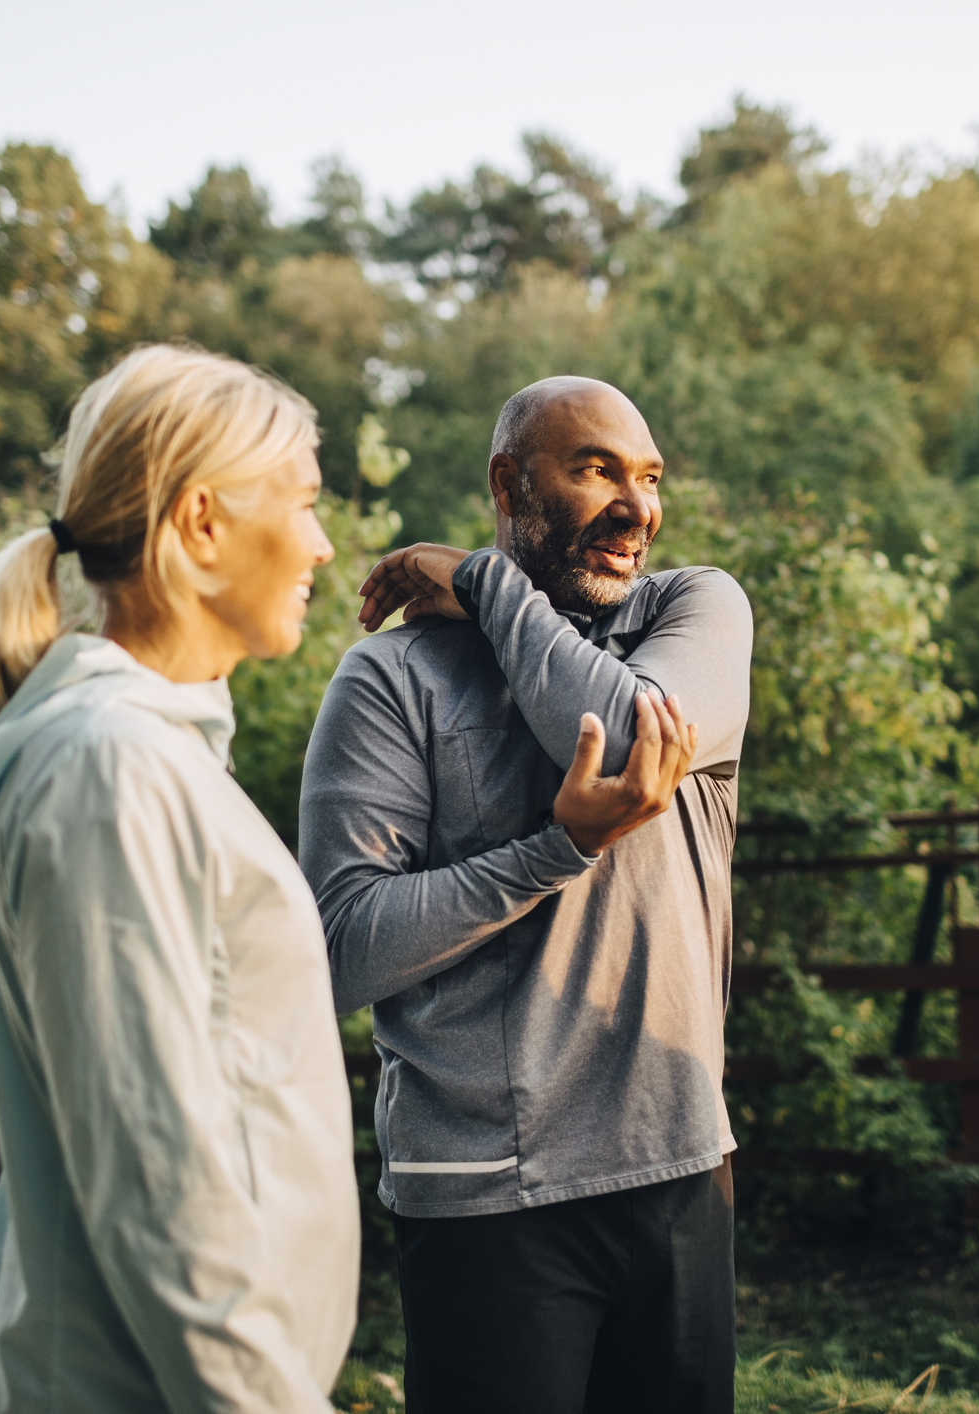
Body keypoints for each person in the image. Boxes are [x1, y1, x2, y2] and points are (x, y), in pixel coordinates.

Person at [298, 376, 753, 1413]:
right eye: (596, 470)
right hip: (482, 1197)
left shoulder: (695, 610)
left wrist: (481, 584)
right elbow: (340, 946)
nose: (637, 508)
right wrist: (557, 848)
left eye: (648, 478)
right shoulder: (392, 680)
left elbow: (639, 737)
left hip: (681, 1166)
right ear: (511, 483)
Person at [0, 345, 358, 1414]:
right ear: (202, 525)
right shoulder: (110, 772)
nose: (323, 540)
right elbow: (157, 1179)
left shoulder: (150, 760)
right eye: (302, 502)